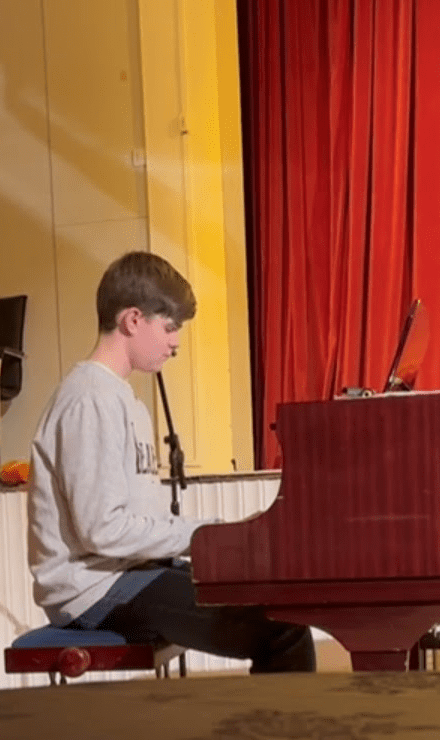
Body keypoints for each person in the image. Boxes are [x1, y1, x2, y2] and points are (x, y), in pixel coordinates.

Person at [27, 251, 315, 672]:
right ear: (132, 320)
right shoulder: (90, 400)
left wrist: (224, 536)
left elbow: (140, 522)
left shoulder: (121, 399)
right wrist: (208, 536)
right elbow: (101, 530)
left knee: (275, 602)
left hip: (131, 575)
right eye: (169, 327)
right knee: (282, 629)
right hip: (95, 592)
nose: (176, 343)